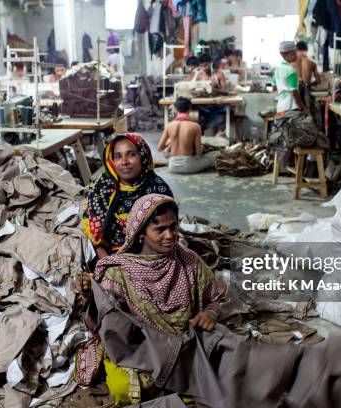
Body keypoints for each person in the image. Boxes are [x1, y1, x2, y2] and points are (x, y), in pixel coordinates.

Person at [77, 194, 225, 405]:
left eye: (173, 227)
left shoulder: (188, 261)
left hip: (184, 344)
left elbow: (217, 297)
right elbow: (101, 324)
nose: (170, 235)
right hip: (142, 352)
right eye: (159, 229)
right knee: (123, 389)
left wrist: (210, 313)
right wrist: (88, 296)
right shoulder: (118, 272)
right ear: (141, 233)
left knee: (228, 364)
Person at [82, 133, 173, 259]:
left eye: (131, 155)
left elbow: (164, 231)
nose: (124, 162)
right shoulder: (102, 187)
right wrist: (108, 264)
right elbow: (95, 235)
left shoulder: (158, 188)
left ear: (142, 156)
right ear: (112, 161)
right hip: (109, 253)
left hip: (151, 253)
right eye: (118, 156)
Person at [158, 97, 219, 174]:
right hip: (189, 166)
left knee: (166, 152)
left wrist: (171, 143)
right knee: (216, 154)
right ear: (190, 109)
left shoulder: (169, 125)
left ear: (176, 109)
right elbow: (199, 152)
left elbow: (160, 148)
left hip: (172, 166)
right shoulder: (195, 126)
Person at [273, 41, 306, 115]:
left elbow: (274, 87)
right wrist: (303, 108)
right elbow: (294, 92)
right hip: (291, 107)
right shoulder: (291, 70)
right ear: (284, 56)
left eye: (295, 53)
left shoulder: (277, 69)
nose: (296, 56)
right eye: (293, 54)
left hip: (280, 108)